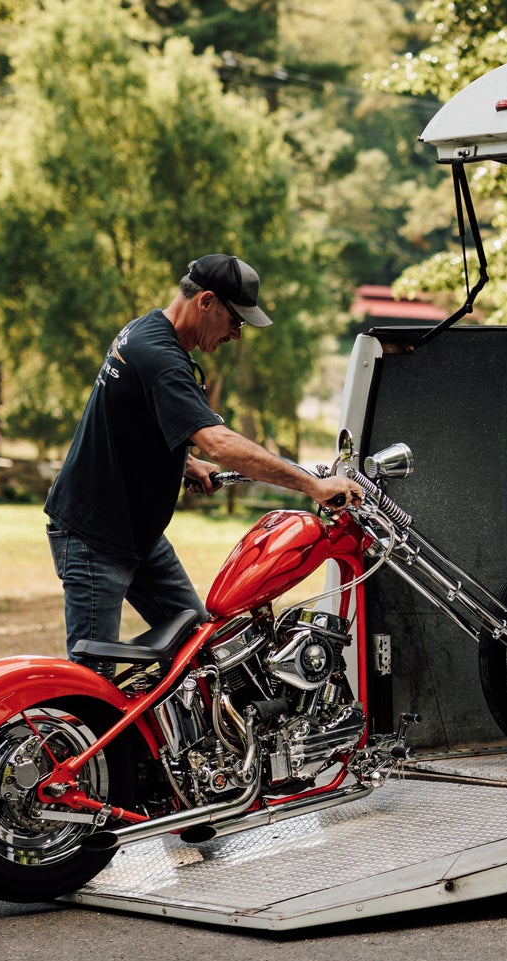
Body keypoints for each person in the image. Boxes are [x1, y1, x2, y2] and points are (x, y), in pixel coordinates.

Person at [43, 253, 362, 669]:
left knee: (201, 649)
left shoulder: (144, 330)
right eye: (236, 321)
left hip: (137, 534)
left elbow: (130, 422)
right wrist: (312, 484)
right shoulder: (160, 358)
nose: (236, 336)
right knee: (92, 681)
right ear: (206, 301)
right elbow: (220, 444)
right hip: (94, 537)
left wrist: (185, 464)